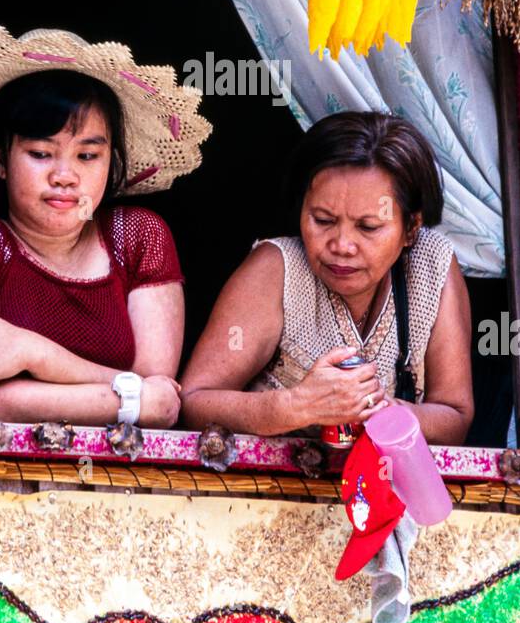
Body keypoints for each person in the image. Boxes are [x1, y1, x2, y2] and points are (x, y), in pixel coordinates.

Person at [0, 27, 210, 429]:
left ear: (111, 161)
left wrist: (33, 352)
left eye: (87, 155)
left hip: (125, 484)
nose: (65, 176)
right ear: (0, 161)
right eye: (41, 153)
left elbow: (159, 397)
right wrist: (131, 397)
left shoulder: (138, 236)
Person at [181, 111, 473, 442]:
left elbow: (455, 415)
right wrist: (293, 406)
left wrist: (382, 411)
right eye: (322, 220)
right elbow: (194, 403)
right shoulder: (276, 270)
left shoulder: (431, 265)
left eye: (368, 227)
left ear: (410, 228)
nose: (342, 246)